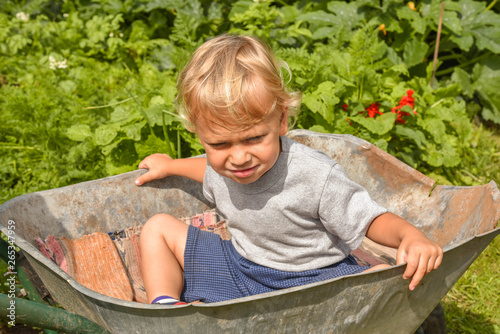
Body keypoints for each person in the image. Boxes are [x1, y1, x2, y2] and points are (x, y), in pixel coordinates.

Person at [135, 34, 443, 305]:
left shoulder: (314, 175)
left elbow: (369, 219)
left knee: (382, 277)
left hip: (316, 282)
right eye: (220, 144)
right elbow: (206, 169)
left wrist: (409, 235)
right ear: (199, 135)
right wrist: (170, 165)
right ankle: (166, 310)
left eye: (254, 138)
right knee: (157, 228)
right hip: (241, 269)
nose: (239, 157)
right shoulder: (222, 165)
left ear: (281, 120)